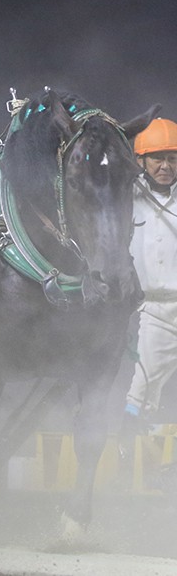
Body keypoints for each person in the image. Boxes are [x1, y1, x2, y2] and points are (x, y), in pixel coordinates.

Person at [123, 117, 177, 440]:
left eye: (173, 158)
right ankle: (129, 449)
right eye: (158, 158)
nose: (166, 166)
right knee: (140, 392)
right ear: (141, 160)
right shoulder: (123, 196)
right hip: (153, 309)